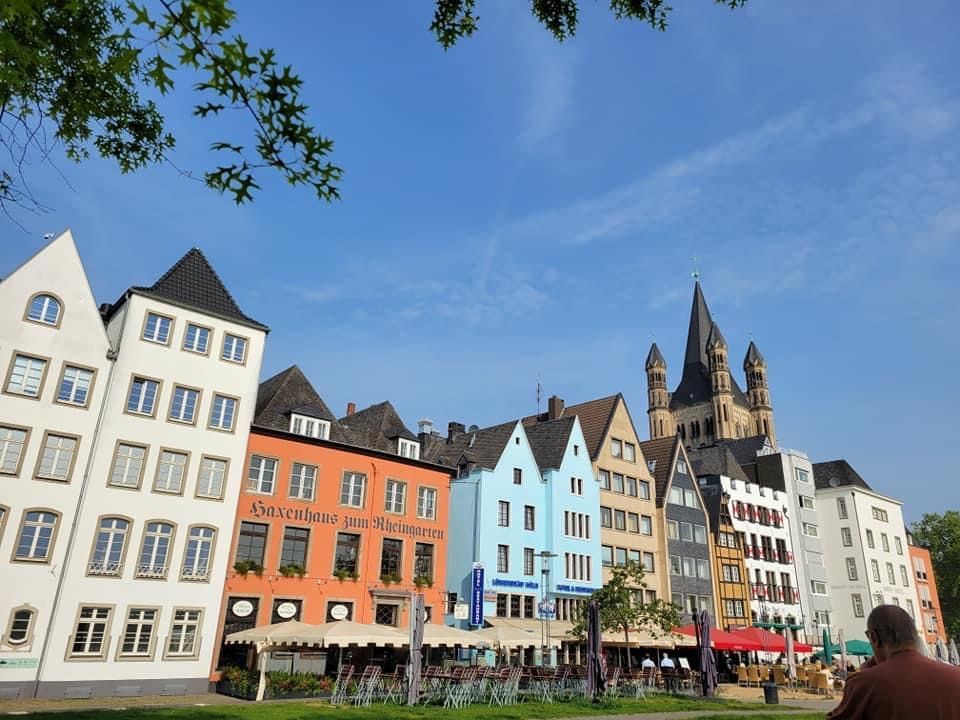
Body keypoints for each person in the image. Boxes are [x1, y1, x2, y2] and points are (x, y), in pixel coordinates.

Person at [827, 605, 960, 719]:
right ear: (914, 635)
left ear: (874, 637)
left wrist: (866, 675)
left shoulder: (863, 684)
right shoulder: (955, 676)